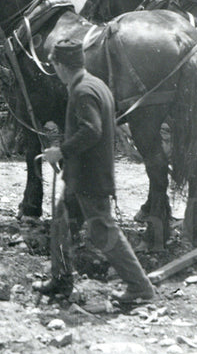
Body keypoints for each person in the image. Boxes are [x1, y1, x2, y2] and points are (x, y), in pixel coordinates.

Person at [40, 38, 155, 304]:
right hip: (82, 176)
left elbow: (92, 130)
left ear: (60, 65)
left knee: (103, 231)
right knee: (61, 223)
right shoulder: (96, 84)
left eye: (54, 65)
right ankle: (61, 279)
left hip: (89, 179)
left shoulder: (82, 91)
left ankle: (140, 287)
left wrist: (62, 151)